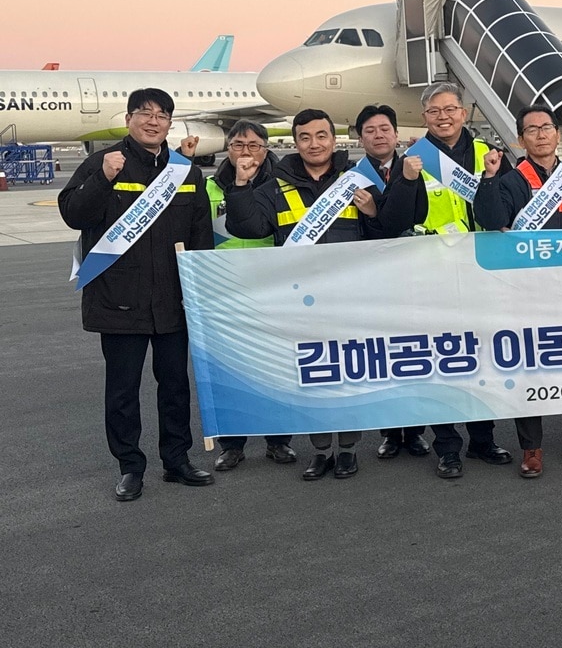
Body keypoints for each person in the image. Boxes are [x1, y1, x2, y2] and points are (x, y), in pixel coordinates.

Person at [226, 108, 412, 480]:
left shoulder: (357, 179)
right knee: (312, 378)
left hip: (348, 298)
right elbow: (247, 225)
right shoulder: (274, 186)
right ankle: (320, 451)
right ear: (296, 143)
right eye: (306, 137)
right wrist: (241, 186)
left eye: (322, 136)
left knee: (347, 377)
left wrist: (374, 211)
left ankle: (347, 450)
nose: (315, 143)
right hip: (299, 301)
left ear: (334, 139)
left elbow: (386, 232)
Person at [58, 88, 216, 501]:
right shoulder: (104, 162)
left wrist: (200, 293)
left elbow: (200, 237)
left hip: (173, 300)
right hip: (118, 298)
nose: (153, 121)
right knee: (123, 389)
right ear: (129, 119)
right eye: (144, 113)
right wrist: (102, 178)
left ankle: (177, 460)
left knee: (175, 386)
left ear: (169, 124)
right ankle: (130, 466)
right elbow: (74, 214)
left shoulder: (186, 172)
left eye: (162, 115)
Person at [475, 103, 562, 477]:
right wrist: (488, 178)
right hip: (528, 289)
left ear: (556, 134)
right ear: (521, 138)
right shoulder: (511, 179)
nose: (540, 134)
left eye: (546, 127)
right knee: (529, 366)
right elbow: (493, 219)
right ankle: (531, 448)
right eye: (531, 130)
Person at [411, 83, 514, 478]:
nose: (443, 116)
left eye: (450, 109)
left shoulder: (488, 156)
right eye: (434, 110)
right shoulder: (415, 159)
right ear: (425, 117)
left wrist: (489, 178)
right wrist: (405, 180)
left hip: (481, 271)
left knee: (481, 360)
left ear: (464, 112)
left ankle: (483, 440)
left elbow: (499, 215)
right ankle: (448, 445)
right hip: (434, 272)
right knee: (444, 359)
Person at [206, 120, 297, 471]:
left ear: (266, 148)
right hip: (224, 292)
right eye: (239, 145)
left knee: (275, 367)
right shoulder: (210, 188)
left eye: (255, 145)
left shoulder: (281, 186)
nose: (247, 152)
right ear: (228, 148)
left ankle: (278, 441)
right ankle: (232, 445)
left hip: (271, 290)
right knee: (229, 371)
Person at [354, 104, 432, 461]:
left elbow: (414, 215)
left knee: (414, 351)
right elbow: (371, 228)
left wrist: (376, 211)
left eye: (385, 128)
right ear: (360, 138)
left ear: (396, 134)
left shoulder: (413, 166)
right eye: (370, 130)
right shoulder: (352, 175)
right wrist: (376, 217)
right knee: (383, 355)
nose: (379, 135)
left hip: (413, 270)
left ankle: (414, 431)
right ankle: (389, 431)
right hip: (373, 274)